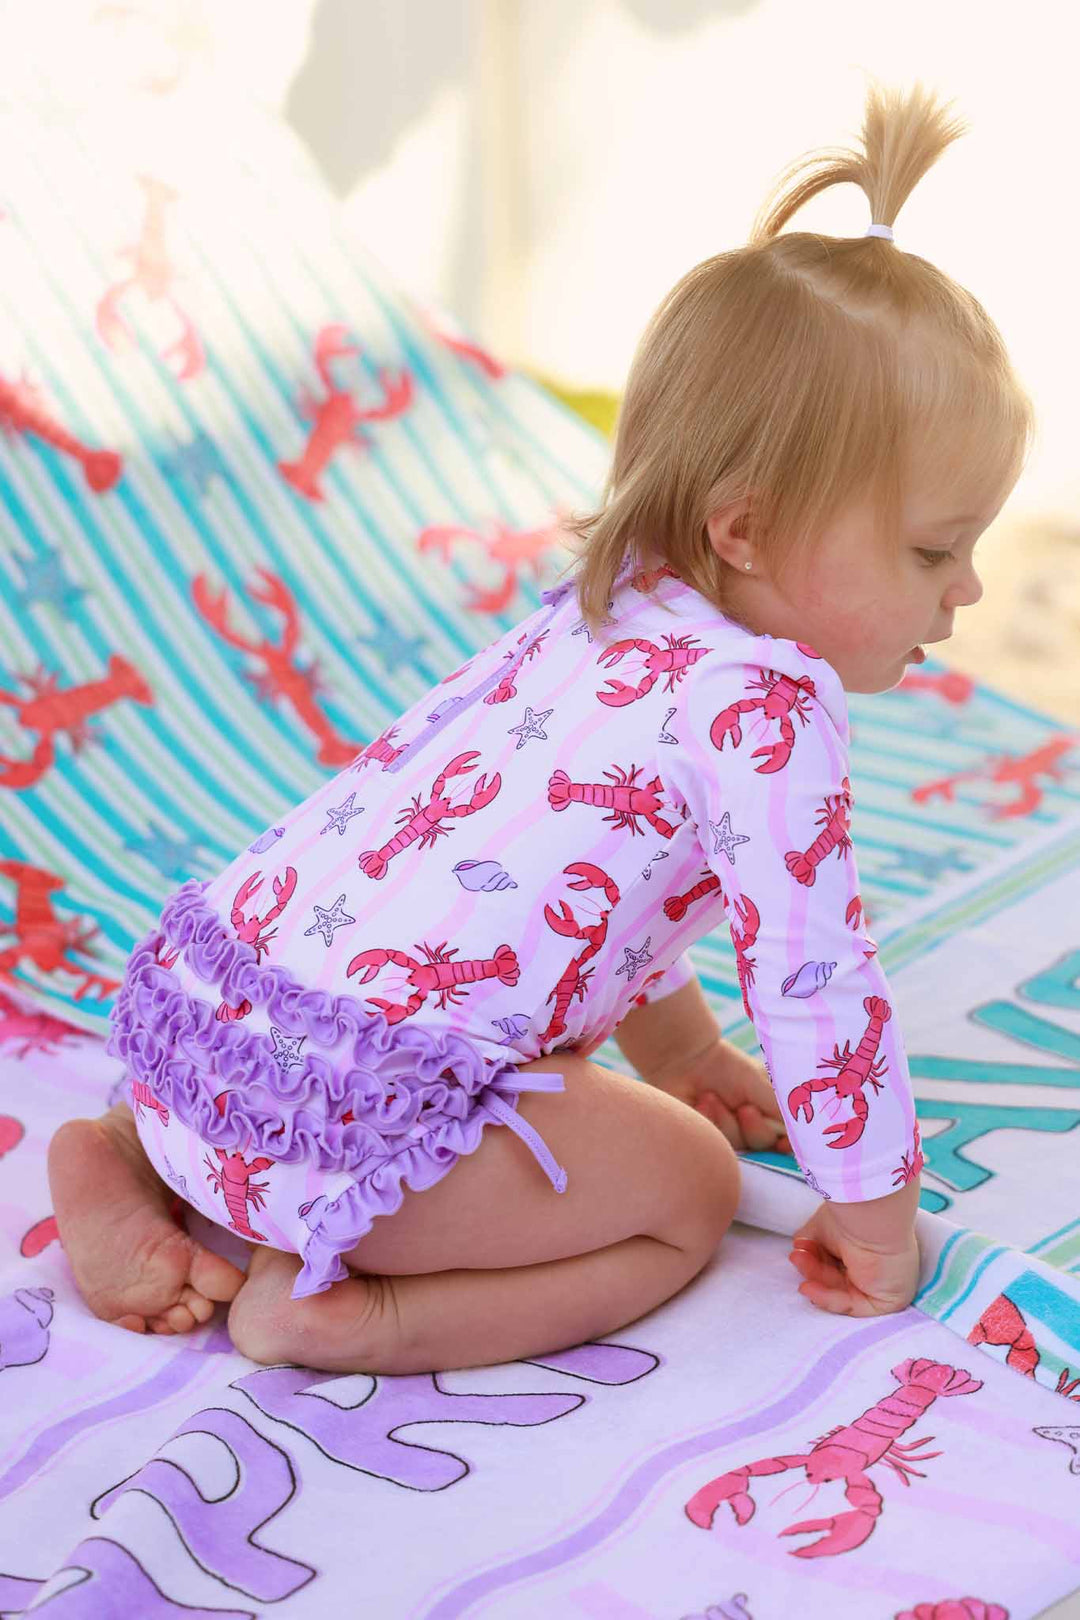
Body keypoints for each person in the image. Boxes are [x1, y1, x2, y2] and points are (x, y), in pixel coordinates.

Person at [46, 78, 1034, 1374]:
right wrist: (878, 1218)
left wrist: (676, 1049)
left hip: (202, 1041)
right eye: (931, 551)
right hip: (356, 1139)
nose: (964, 592)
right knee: (683, 1192)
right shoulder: (770, 708)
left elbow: (584, 866)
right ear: (745, 527)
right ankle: (336, 1313)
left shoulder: (613, 605)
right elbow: (818, 986)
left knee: (536, 1074)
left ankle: (117, 1156)